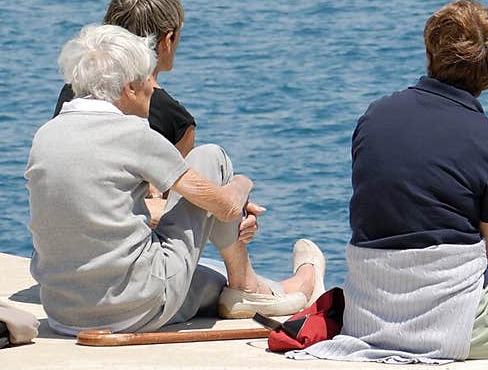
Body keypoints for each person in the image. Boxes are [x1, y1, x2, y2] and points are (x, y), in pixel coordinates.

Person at [299, 0, 488, 366]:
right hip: (450, 320)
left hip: (367, 312)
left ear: (431, 50)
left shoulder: (376, 115)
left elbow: (395, 208)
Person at [26, 23, 327, 333]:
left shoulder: (45, 135)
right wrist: (241, 183)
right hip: (131, 310)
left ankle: (242, 288)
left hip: (63, 312)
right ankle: (252, 287)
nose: (152, 90)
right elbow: (225, 207)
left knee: (208, 282)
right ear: (130, 87)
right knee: (211, 157)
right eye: (148, 81)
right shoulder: (133, 135)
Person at [53, 0, 195, 225]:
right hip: (130, 244)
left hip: (59, 236)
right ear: (168, 39)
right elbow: (178, 205)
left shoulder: (74, 91)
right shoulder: (177, 120)